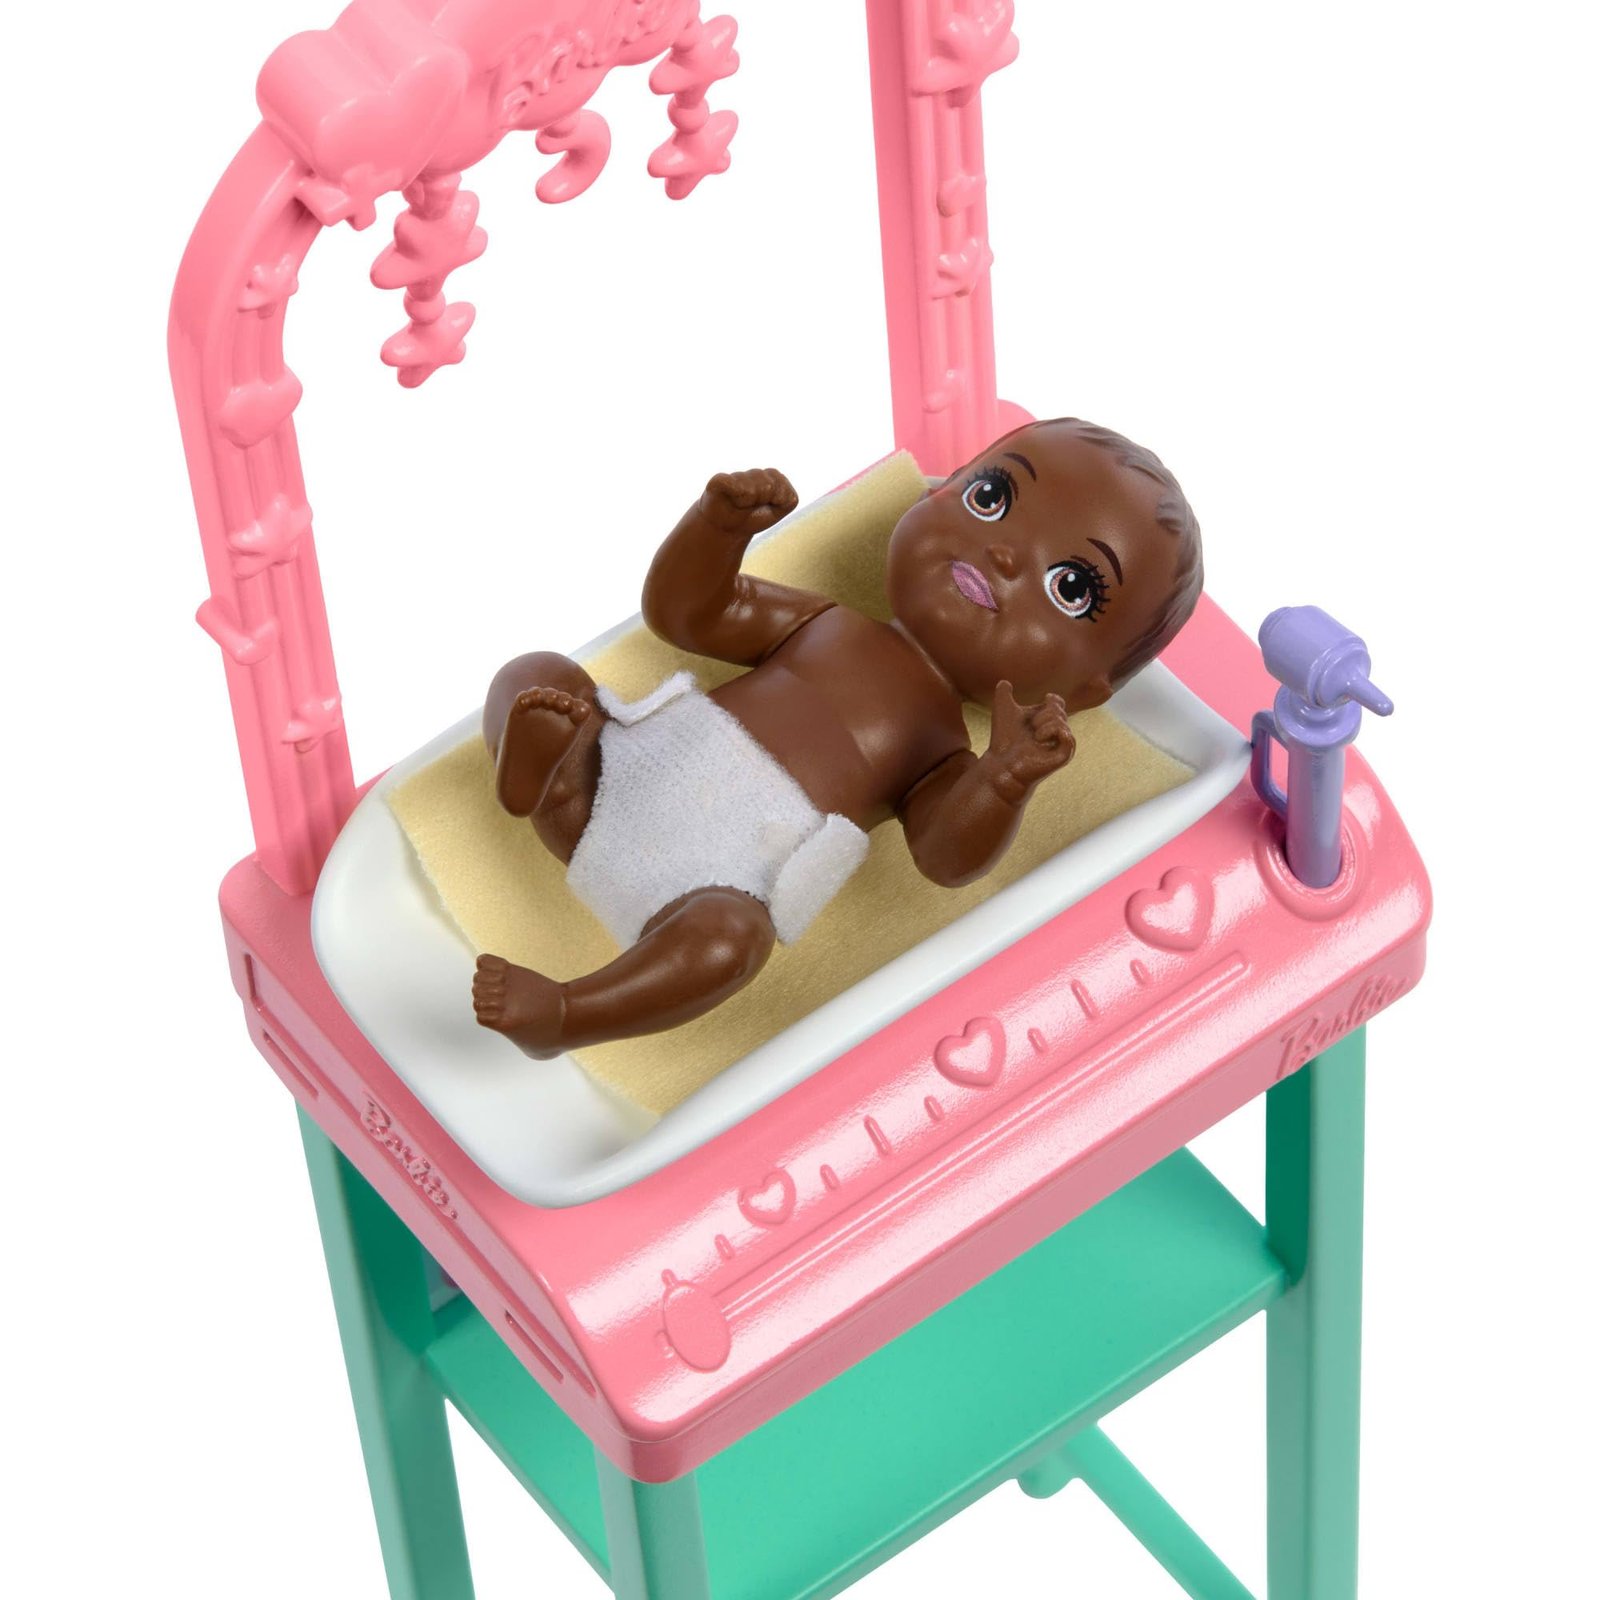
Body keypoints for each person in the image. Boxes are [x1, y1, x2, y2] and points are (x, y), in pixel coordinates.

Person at [472, 417, 1203, 1057]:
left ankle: (567, 1013)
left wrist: (1004, 779)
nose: (1006, 554)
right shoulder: (822, 625)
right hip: (611, 780)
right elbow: (688, 614)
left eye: (1070, 587)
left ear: (1083, 693)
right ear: (933, 495)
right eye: (992, 497)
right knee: (536, 675)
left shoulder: (941, 749)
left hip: (704, 891)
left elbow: (945, 856)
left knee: (734, 943)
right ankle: (542, 773)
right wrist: (716, 530)